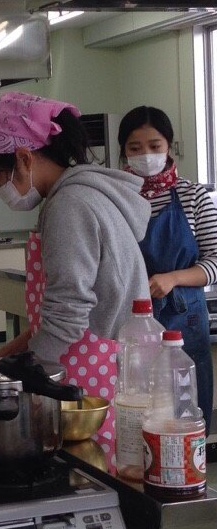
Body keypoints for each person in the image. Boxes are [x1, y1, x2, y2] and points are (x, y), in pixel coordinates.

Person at [0, 92, 151, 466]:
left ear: (24, 158)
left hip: (91, 374)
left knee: (93, 472)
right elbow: (71, 303)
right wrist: (17, 349)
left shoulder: (69, 205)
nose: (3, 191)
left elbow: (70, 305)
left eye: (0, 179)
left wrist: (31, 367)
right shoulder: (84, 194)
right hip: (107, 361)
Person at [118, 106, 217, 432]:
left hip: (184, 322)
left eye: (154, 146)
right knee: (137, 417)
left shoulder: (193, 196)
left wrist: (173, 278)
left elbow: (215, 261)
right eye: (135, 148)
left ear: (169, 147)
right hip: (130, 323)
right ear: (124, 152)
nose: (145, 155)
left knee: (185, 421)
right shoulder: (117, 199)